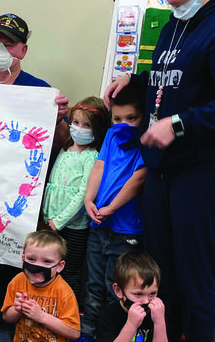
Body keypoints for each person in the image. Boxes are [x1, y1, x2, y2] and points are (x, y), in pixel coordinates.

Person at [104, 0, 215, 340]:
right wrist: (135, 80)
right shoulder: (174, 25)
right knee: (161, 271)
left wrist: (178, 124)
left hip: (203, 171)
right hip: (163, 170)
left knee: (194, 274)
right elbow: (176, 83)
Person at [80, 84, 147, 341]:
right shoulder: (110, 135)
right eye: (117, 119)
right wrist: (89, 199)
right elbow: (99, 166)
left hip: (125, 231)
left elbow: (138, 179)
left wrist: (111, 207)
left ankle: (111, 336)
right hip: (99, 226)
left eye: (131, 118)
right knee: (93, 285)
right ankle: (88, 332)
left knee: (115, 288)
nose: (123, 125)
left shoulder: (146, 140)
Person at [0, 13, 70, 157]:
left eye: (7, 45)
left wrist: (57, 121)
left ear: (23, 51)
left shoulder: (40, 91)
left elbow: (63, 146)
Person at [42, 97, 110, 303]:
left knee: (70, 270)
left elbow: (83, 195)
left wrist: (60, 221)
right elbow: (53, 184)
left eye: (87, 125)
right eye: (76, 122)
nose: (79, 128)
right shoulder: (65, 150)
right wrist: (48, 216)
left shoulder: (92, 157)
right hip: (52, 222)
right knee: (50, 267)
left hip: (74, 227)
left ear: (97, 128)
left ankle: (68, 310)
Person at [2, 230, 81, 342]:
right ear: (23, 258)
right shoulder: (18, 281)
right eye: (31, 259)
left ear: (59, 266)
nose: (37, 266)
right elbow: (7, 318)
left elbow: (74, 333)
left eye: (47, 261)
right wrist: (17, 309)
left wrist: (41, 317)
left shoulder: (64, 292)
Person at [95, 250, 167, 342]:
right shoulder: (108, 315)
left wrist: (159, 322)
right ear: (119, 291)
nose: (146, 301)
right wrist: (131, 325)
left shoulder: (157, 312)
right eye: (138, 294)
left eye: (152, 294)